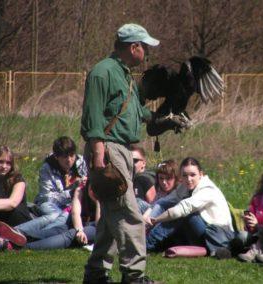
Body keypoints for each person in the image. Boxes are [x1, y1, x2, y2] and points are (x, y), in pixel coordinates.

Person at [80, 23, 183, 284]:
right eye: (145, 46)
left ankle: (95, 274)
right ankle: (135, 276)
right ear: (134, 46)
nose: (147, 52)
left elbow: (140, 113)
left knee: (111, 218)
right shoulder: (102, 72)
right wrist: (99, 151)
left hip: (123, 150)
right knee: (128, 214)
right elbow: (93, 115)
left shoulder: (124, 74)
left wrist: (165, 120)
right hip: (107, 149)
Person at [0, 136, 88, 246]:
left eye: (72, 156)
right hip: (48, 202)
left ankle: (26, 236)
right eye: (65, 157)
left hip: (72, 205)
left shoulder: (81, 163)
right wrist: (71, 192)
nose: (69, 160)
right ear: (56, 156)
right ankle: (16, 231)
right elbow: (46, 195)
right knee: (55, 215)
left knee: (64, 216)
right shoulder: (47, 167)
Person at [145, 157, 233, 253]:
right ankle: (144, 240)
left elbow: (182, 209)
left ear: (201, 174)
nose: (189, 179)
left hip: (215, 234)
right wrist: (147, 217)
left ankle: (148, 245)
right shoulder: (184, 187)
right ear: (181, 177)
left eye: (192, 175)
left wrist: (155, 220)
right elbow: (164, 201)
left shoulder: (208, 189)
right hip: (196, 231)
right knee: (167, 205)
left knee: (182, 213)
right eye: (185, 175)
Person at [0, 145, 32, 244]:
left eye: (8, 163)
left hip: (17, 217)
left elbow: (13, 203)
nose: (4, 166)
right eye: (0, 162)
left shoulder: (18, 180)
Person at [131, 145, 156, 213]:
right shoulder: (131, 179)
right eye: (129, 160)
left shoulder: (145, 179)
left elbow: (153, 205)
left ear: (144, 163)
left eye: (135, 160)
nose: (131, 163)